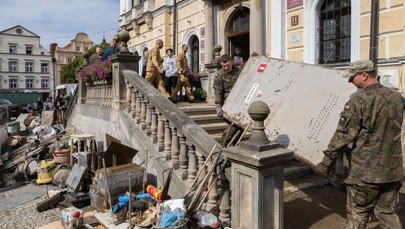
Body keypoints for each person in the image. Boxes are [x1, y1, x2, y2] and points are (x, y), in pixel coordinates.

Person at [317, 59, 404, 229]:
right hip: (393, 170)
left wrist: (326, 163)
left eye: (352, 77)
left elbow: (343, 137)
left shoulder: (358, 102)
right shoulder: (397, 98)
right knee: (387, 213)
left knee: (358, 214)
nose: (351, 81)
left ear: (364, 75)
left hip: (366, 173)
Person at [213, 54, 241, 146]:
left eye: (227, 65)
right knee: (234, 126)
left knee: (239, 128)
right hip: (227, 104)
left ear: (232, 62)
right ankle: (223, 146)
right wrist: (218, 106)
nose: (225, 67)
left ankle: (232, 146)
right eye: (223, 66)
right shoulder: (219, 74)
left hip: (240, 103)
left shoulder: (239, 71)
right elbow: (218, 91)